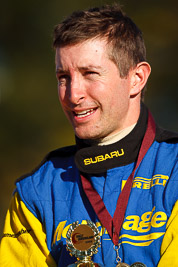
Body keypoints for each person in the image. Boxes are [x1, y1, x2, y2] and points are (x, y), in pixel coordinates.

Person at [0, 3, 178, 267]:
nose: (73, 95)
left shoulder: (174, 171)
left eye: (90, 74)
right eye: (63, 77)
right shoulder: (36, 192)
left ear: (136, 78)